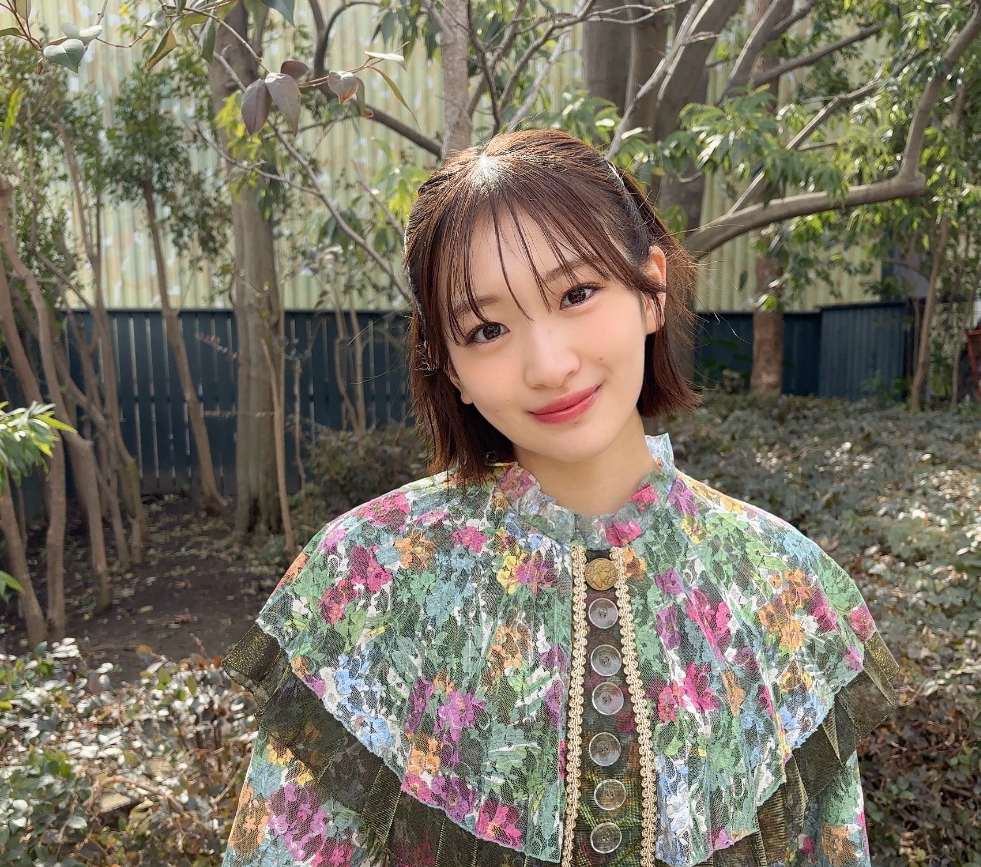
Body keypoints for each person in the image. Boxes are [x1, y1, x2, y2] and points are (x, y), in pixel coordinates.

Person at [220, 129, 898, 867]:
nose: (548, 364)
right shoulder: (363, 579)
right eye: (487, 329)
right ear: (449, 367)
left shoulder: (786, 588)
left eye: (577, 293)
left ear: (651, 288)